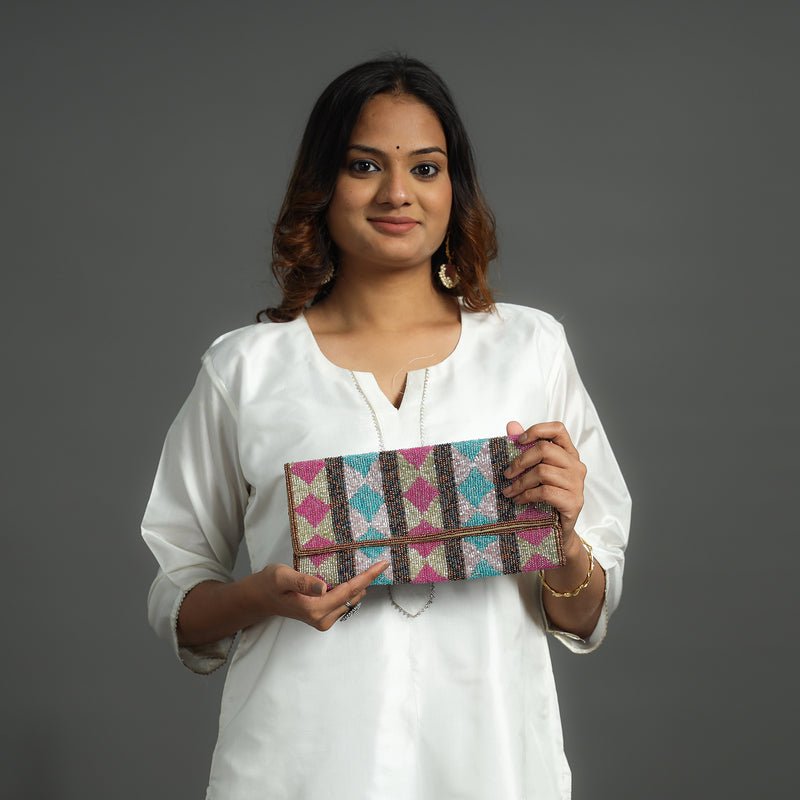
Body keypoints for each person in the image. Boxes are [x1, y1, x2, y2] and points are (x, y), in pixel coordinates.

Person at [142, 55, 630, 800]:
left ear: (454, 188)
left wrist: (563, 543)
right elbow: (178, 590)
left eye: (425, 168)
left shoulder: (530, 349)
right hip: (296, 770)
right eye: (364, 165)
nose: (397, 192)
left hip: (494, 767)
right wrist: (262, 597)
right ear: (323, 183)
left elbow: (586, 612)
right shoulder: (246, 368)